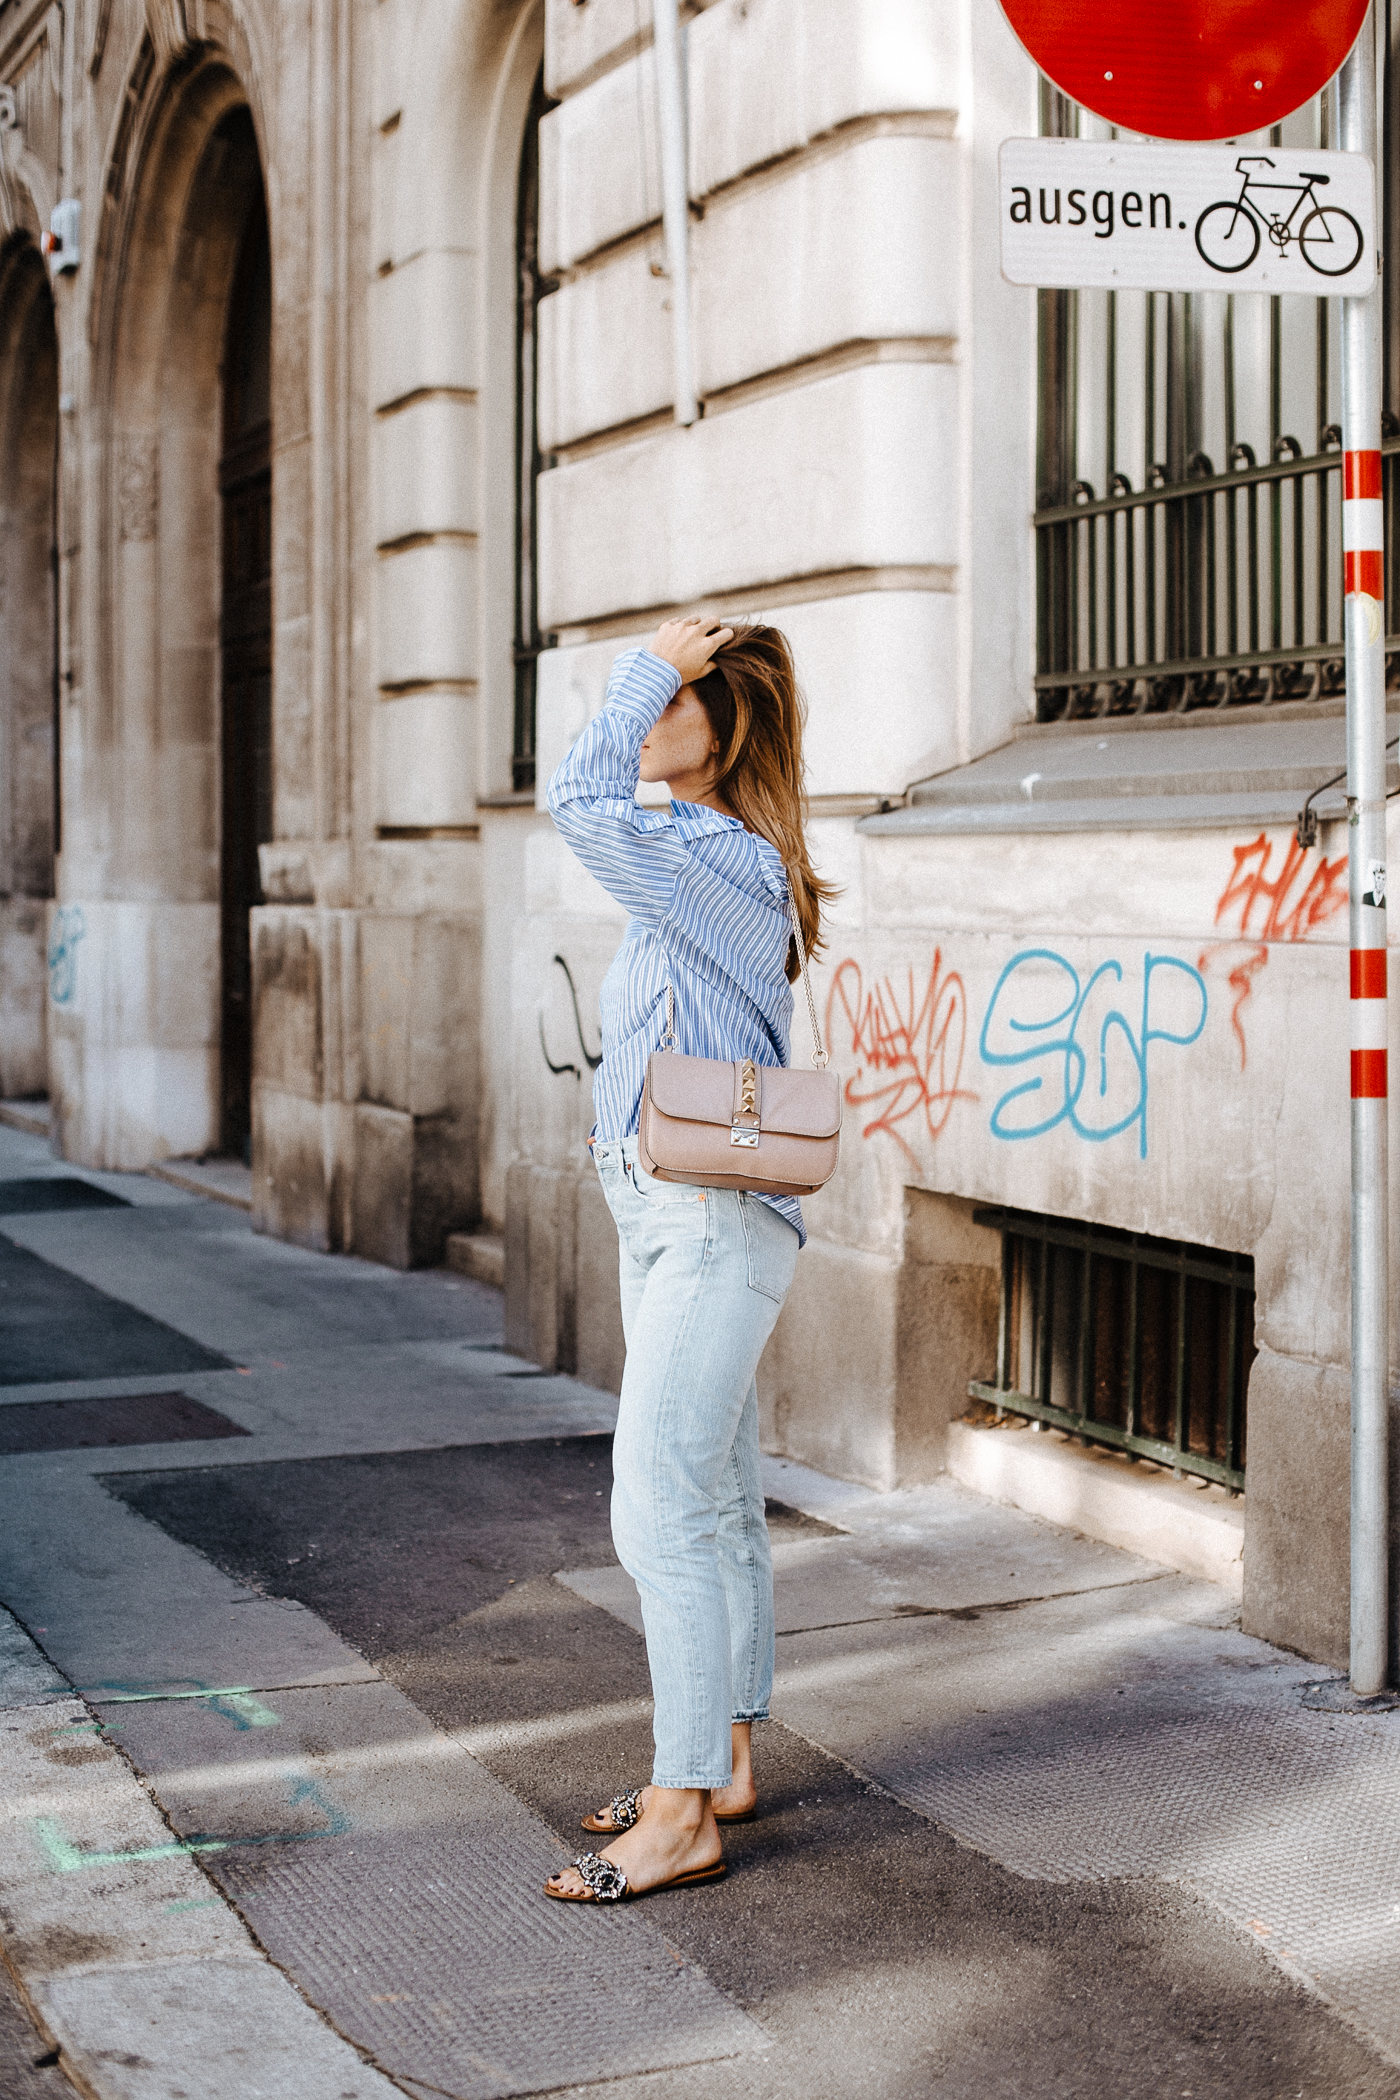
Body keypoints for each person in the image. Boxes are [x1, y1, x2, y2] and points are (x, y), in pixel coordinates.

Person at [542, 615, 834, 1904]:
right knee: (710, 1494)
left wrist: (644, 661)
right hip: (667, 1207)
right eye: (652, 692)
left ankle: (679, 1815)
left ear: (729, 730)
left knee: (654, 1498)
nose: (651, 711)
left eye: (678, 697)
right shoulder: (699, 854)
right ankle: (722, 1761)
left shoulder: (712, 854)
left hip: (707, 1212)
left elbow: (574, 791)